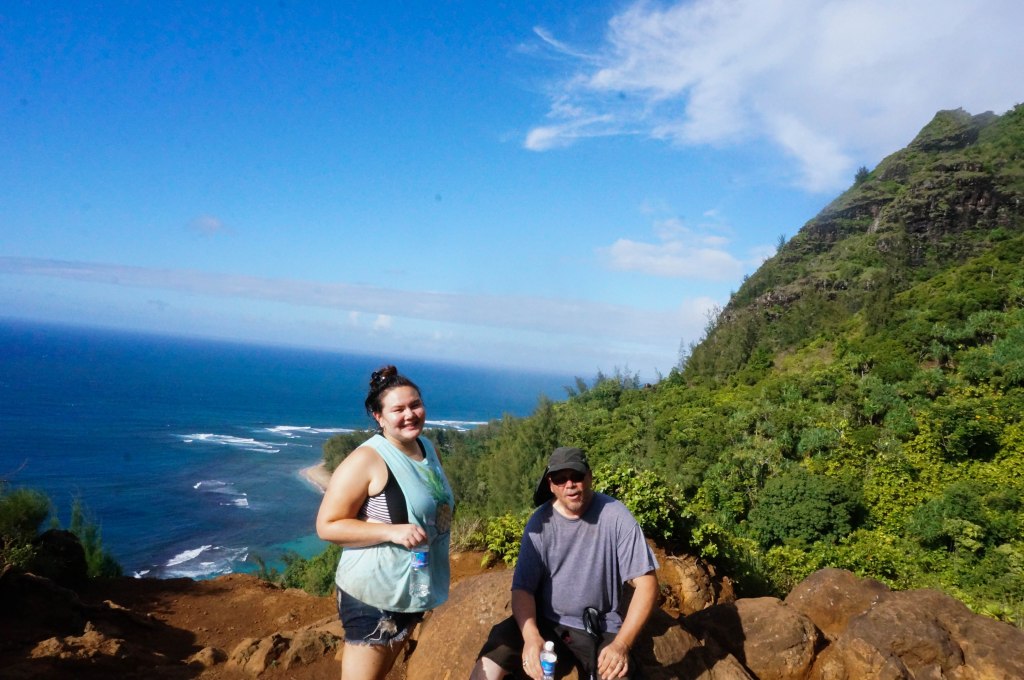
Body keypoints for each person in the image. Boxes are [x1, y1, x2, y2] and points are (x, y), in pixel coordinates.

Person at [470, 446, 659, 680]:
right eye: (560, 479)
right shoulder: (540, 523)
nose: (569, 484)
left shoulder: (615, 515)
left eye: (576, 476)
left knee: (617, 674)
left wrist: (622, 644)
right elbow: (523, 588)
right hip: (547, 620)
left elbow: (647, 583)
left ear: (589, 476)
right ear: (550, 484)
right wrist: (530, 636)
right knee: (494, 654)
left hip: (598, 627)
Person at [316, 365, 454, 680]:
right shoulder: (367, 460)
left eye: (415, 404)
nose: (410, 414)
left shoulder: (426, 448)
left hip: (412, 583)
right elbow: (327, 525)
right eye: (398, 409)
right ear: (379, 417)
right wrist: (391, 531)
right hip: (374, 593)